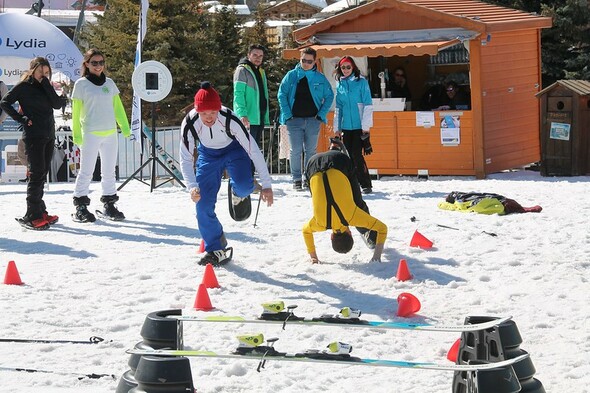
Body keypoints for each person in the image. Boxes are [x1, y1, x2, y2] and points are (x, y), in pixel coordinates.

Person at [180, 81, 274, 266]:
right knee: (202, 205)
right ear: (197, 111)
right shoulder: (189, 123)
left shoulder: (230, 118)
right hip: (208, 155)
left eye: (213, 113)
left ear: (218, 109)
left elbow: (253, 150)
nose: (209, 118)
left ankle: (238, 191)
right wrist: (191, 187)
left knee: (245, 186)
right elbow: (185, 158)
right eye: (204, 113)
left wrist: (267, 185)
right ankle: (216, 247)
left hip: (234, 151)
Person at [0, 57, 66, 230]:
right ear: (32, 70)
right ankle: (31, 214)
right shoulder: (23, 86)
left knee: (42, 173)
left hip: (49, 133)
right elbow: (5, 102)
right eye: (40, 72)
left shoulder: (46, 86)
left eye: (47, 73)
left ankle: (40, 210)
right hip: (33, 135)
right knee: (36, 174)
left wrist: (48, 86)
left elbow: (57, 105)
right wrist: (21, 118)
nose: (43, 75)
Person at [302, 138, 387, 264]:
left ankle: (335, 150)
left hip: (339, 160)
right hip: (312, 163)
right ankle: (333, 150)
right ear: (331, 237)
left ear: (350, 233)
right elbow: (305, 231)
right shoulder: (319, 223)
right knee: (318, 191)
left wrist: (377, 256)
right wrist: (313, 257)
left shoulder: (353, 217)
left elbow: (383, 228)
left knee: (357, 202)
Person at [70, 48, 131, 223]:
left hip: (110, 133)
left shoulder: (109, 83)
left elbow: (117, 108)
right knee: (86, 171)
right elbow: (76, 113)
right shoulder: (81, 84)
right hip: (90, 133)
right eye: (94, 63)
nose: (98, 66)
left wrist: (125, 128)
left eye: (101, 62)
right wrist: (77, 134)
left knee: (109, 171)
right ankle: (81, 206)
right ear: (86, 64)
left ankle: (109, 204)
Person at [278, 47, 334, 191]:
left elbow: (329, 96)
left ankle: (309, 177)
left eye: (309, 61)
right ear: (300, 59)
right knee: (295, 150)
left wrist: (321, 115)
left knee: (310, 150)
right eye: (304, 60)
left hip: (312, 120)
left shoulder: (320, 78)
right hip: (294, 120)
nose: (306, 64)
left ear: (315, 61)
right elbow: (281, 94)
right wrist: (288, 115)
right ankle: (296, 178)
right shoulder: (291, 76)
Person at [333, 56, 374, 194]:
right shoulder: (339, 84)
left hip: (359, 126)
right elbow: (338, 107)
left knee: (357, 155)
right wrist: (337, 128)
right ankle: (353, 183)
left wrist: (366, 126)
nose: (345, 70)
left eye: (348, 67)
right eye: (343, 67)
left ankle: (365, 183)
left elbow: (368, 104)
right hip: (346, 127)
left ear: (353, 68)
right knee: (348, 156)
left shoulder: (361, 82)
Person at [233, 44, 269, 150]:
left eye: (260, 56)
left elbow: (263, 95)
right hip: (248, 119)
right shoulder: (242, 70)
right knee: (246, 150)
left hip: (259, 118)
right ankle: (246, 167)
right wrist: (242, 114)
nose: (258, 58)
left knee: (254, 150)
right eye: (255, 55)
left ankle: (252, 167)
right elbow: (238, 94)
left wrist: (265, 117)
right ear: (249, 55)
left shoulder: (261, 71)